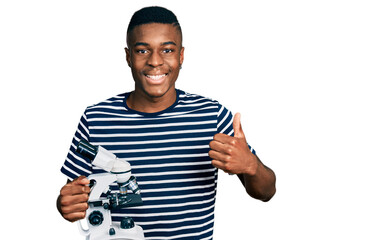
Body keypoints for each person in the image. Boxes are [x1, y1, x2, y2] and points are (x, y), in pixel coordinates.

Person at [57, 6, 276, 239]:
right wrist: (65, 204)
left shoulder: (211, 116)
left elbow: (266, 191)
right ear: (128, 56)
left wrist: (251, 165)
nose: (155, 61)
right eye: (142, 51)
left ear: (181, 56)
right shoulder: (96, 119)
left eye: (167, 50)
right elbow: (75, 195)